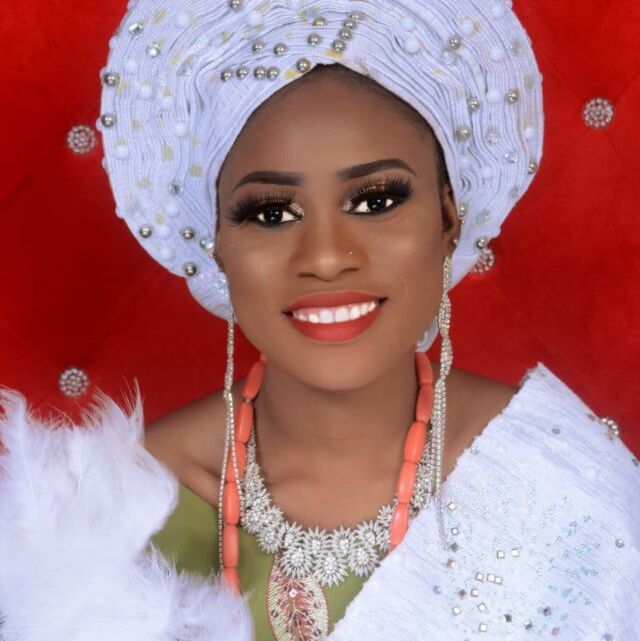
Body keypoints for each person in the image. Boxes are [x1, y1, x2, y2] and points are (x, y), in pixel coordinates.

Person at [0, 1, 638, 640]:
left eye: (376, 200)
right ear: (215, 242)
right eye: (271, 213)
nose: (327, 257)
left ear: (449, 219)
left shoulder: (556, 484)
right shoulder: (119, 515)